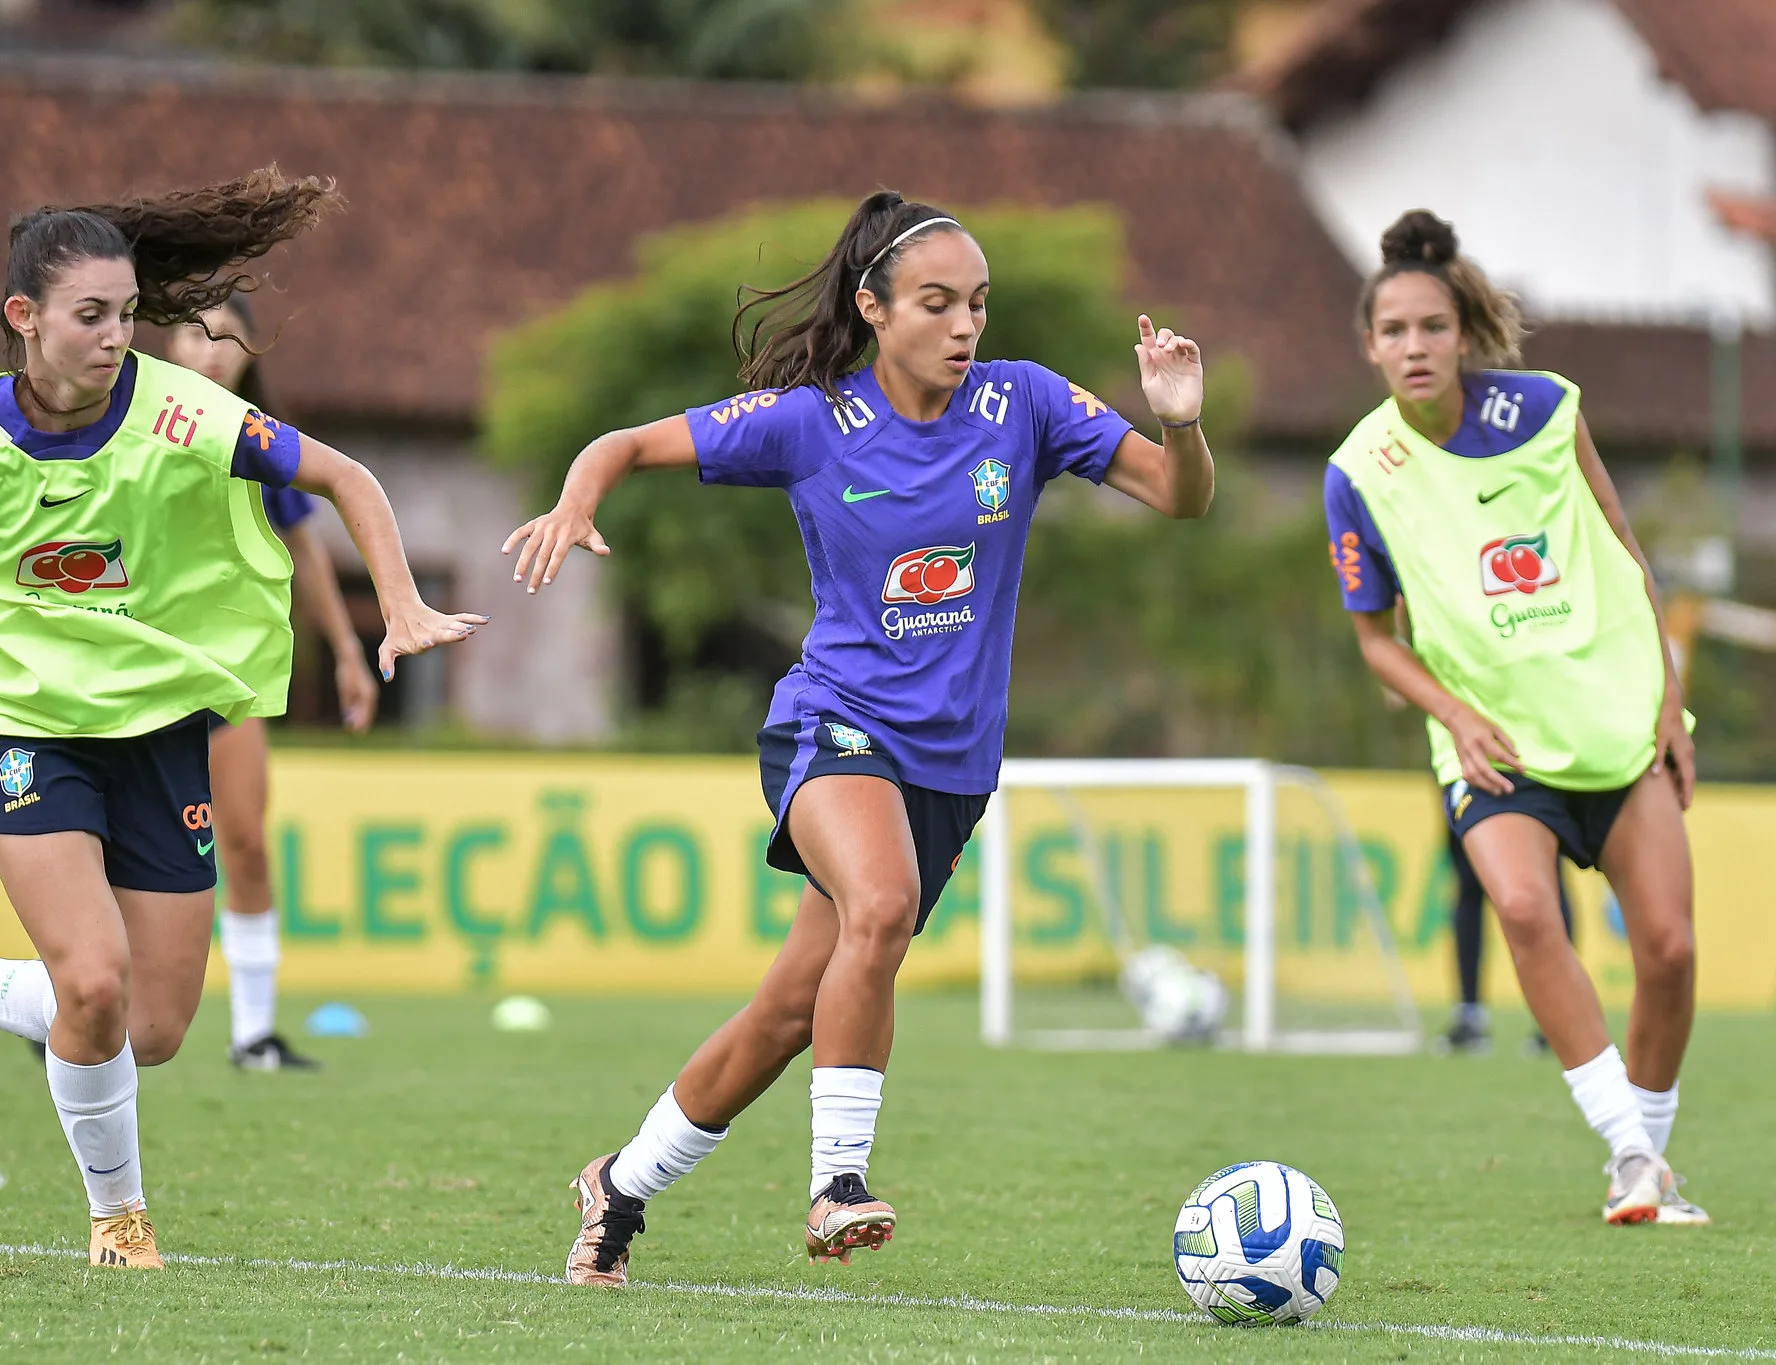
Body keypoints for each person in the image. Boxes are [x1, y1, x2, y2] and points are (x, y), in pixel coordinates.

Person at [505, 190, 1215, 1285]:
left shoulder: (1023, 406)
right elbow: (623, 443)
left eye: (976, 302)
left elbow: (1180, 498)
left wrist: (1178, 417)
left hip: (948, 769)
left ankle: (621, 1188)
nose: (963, 324)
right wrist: (572, 501)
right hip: (829, 726)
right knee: (876, 907)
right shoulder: (808, 420)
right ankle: (836, 1182)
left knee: (790, 1011)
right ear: (873, 308)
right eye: (936, 303)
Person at [0, 169, 484, 1269]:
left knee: (148, 1030)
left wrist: (398, 605)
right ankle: (119, 1218)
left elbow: (343, 475)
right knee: (92, 983)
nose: (117, 338)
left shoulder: (184, 411)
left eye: (126, 314)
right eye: (90, 316)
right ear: (26, 319)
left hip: (161, 733)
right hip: (27, 731)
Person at [1324, 209, 1703, 1225]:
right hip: (1491, 742)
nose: (1413, 347)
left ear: (1463, 334)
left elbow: (1626, 552)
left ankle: (1644, 1165)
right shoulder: (1357, 474)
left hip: (1613, 721)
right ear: (1368, 347)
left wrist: (1668, 703)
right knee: (1525, 911)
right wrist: (1456, 713)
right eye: (1393, 331)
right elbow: (1375, 640)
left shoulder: (1543, 410)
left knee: (1667, 950)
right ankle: (1625, 1149)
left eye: (1430, 328)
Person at [168, 295, 381, 1071]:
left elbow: (307, 549)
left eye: (230, 335)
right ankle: (58, 998)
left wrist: (350, 652)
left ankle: (253, 1034)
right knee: (105, 850)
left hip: (223, 683)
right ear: (164, 341)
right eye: (196, 331)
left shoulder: (264, 447)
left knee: (248, 842)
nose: (213, 349)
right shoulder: (126, 429)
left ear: (255, 351)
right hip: (127, 684)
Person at [1440, 827, 1573, 1055]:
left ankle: (1559, 1018)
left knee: (1548, 881)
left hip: (1542, 794)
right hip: (1476, 795)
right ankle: (1469, 1014)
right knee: (1470, 884)